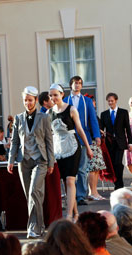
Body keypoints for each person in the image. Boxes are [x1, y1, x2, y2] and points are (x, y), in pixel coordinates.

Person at [7, 86, 54, 239]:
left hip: (40, 160)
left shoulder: (44, 118)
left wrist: (51, 162)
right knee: (32, 195)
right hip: (23, 161)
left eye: (30, 100)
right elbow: (14, 142)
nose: (27, 103)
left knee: (34, 191)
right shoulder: (18, 118)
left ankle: (33, 227)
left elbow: (49, 141)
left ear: (35, 100)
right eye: (25, 100)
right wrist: (10, 160)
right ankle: (40, 226)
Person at [48, 83, 93, 221]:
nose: (53, 97)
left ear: (62, 94)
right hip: (58, 148)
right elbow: (48, 134)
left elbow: (80, 129)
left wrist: (88, 147)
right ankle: (75, 212)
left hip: (73, 146)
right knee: (64, 181)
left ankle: (68, 215)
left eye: (55, 94)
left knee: (70, 180)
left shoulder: (71, 109)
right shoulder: (48, 113)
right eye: (51, 95)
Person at [63, 76, 101, 205]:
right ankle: (71, 194)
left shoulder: (87, 101)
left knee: (82, 168)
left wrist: (97, 136)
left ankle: (80, 196)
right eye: (75, 83)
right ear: (71, 85)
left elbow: (93, 119)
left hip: (84, 138)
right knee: (70, 168)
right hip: (69, 139)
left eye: (79, 83)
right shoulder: (65, 100)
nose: (77, 85)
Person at [100, 92, 132, 189]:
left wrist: (130, 142)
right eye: (109, 101)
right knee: (113, 164)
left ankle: (120, 184)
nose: (110, 103)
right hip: (109, 143)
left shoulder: (123, 112)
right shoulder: (104, 114)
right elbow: (102, 128)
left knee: (118, 163)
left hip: (120, 142)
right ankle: (117, 184)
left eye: (112, 101)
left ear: (116, 100)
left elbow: (128, 128)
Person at [84, 94, 107, 200]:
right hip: (90, 142)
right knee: (92, 169)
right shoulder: (86, 114)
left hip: (96, 143)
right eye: (93, 102)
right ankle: (91, 192)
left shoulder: (93, 114)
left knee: (97, 169)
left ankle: (95, 191)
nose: (94, 104)